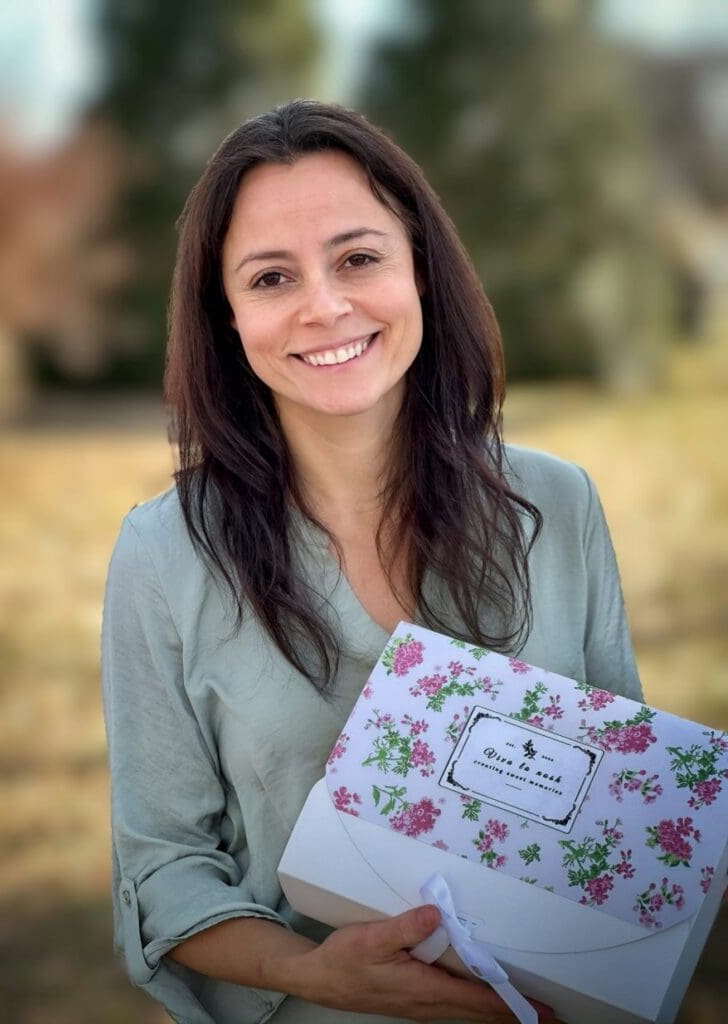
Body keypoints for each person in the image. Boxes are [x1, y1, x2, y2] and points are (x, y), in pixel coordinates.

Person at [101, 100, 643, 1024]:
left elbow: (623, 807)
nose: (323, 305)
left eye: (357, 258)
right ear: (228, 317)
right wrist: (320, 974)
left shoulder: (559, 506)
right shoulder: (164, 555)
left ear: (420, 270)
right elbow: (164, 868)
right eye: (272, 277)